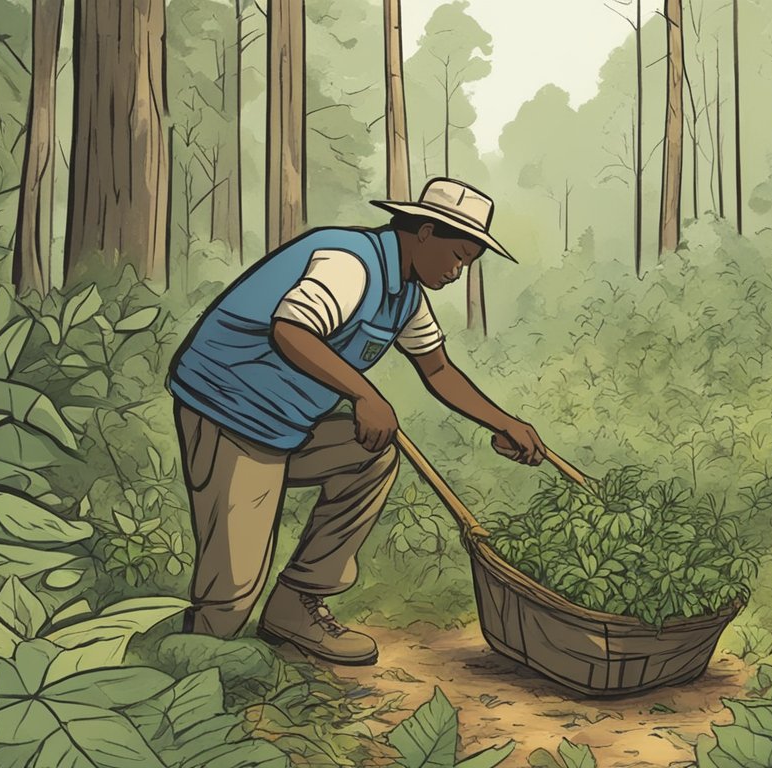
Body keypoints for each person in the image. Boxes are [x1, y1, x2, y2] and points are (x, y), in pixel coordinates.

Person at [167, 177, 549, 665]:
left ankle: (295, 604)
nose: (458, 272)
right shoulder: (348, 262)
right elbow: (291, 331)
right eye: (458, 256)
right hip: (231, 410)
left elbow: (437, 369)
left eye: (468, 264)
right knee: (232, 594)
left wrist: (503, 422)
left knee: (371, 454)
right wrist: (366, 395)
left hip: (288, 426)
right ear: (425, 232)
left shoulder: (407, 296)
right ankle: (188, 670)